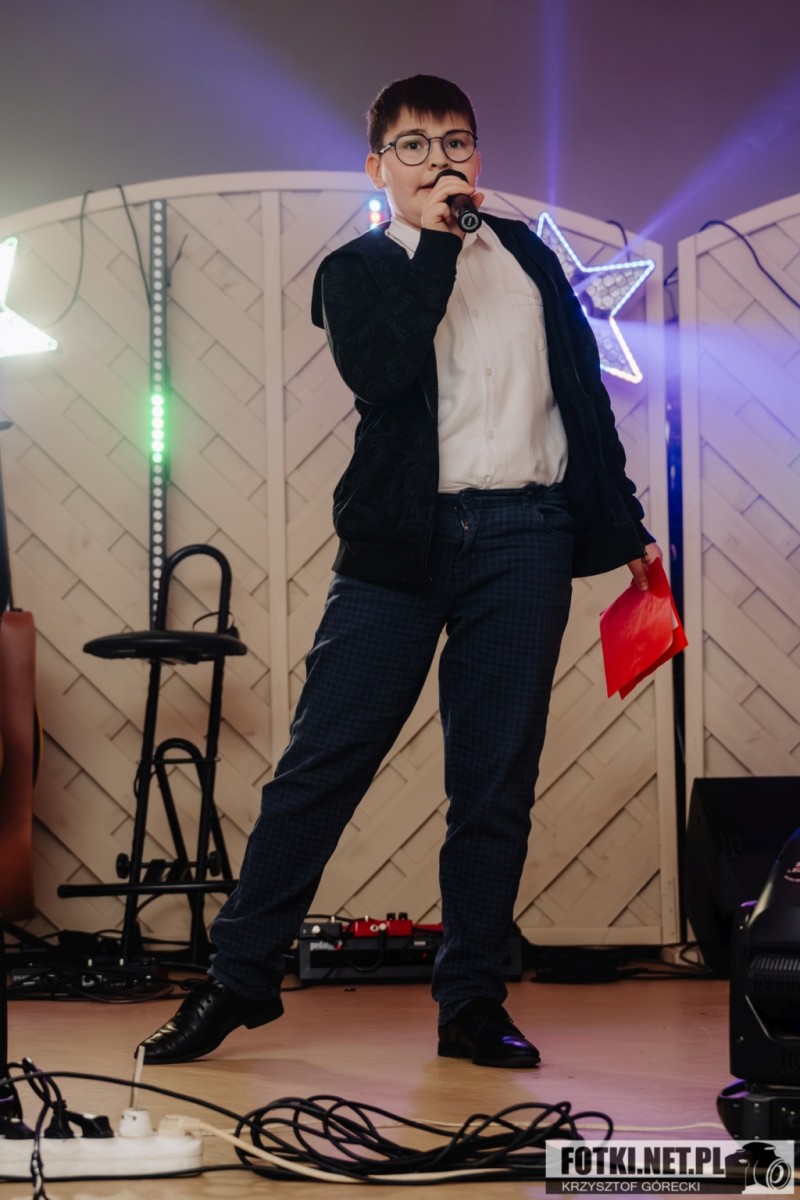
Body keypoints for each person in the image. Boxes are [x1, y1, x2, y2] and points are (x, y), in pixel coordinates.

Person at [138, 74, 661, 1069]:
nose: (437, 160)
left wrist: (624, 521)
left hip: (526, 535)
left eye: (454, 142)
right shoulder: (356, 269)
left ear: (477, 156)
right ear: (377, 167)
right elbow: (379, 374)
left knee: (493, 784)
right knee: (320, 766)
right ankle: (238, 979)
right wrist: (435, 242)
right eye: (412, 146)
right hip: (398, 547)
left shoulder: (530, 262)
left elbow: (582, 399)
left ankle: (471, 1001)